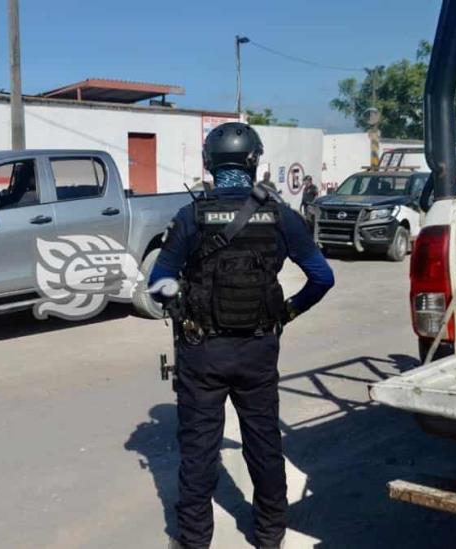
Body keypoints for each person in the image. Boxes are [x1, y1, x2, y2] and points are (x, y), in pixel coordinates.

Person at [149, 122, 334, 549]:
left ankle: (194, 542)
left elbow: (159, 283)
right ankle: (270, 536)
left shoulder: (191, 216)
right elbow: (322, 278)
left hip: (202, 353)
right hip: (258, 349)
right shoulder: (281, 215)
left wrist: (179, 303)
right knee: (264, 443)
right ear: (254, 162)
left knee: (198, 451)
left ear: (209, 164)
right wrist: (288, 311)